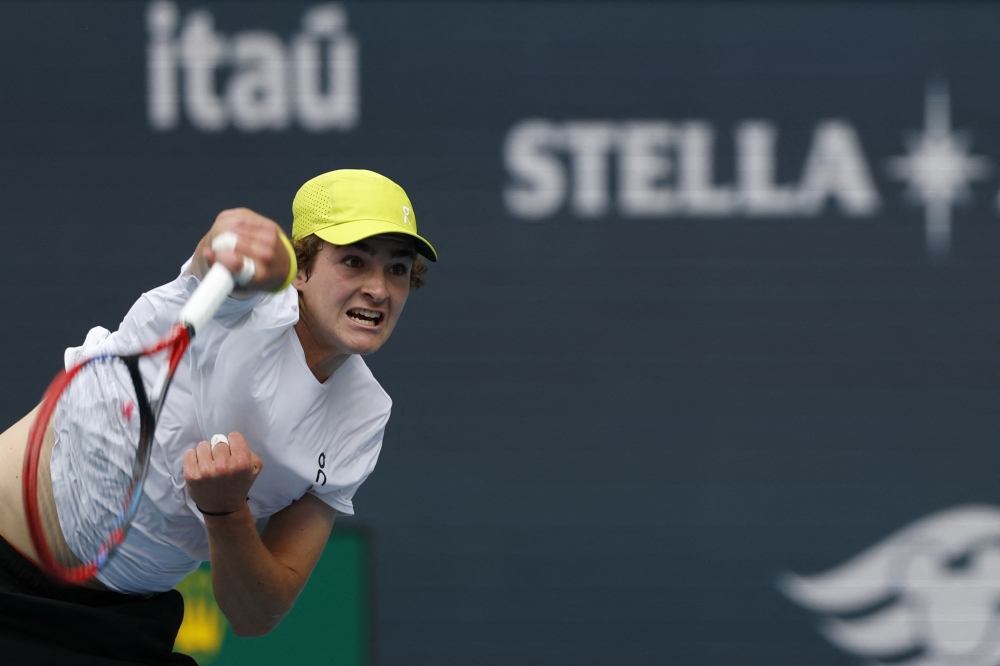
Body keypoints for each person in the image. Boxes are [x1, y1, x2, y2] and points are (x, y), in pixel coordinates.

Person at [0, 169, 436, 664]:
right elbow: (229, 258)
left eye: (397, 269)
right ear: (301, 270)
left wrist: (227, 513)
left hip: (117, 620)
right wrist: (249, 244)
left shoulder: (363, 416)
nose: (379, 289)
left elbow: (257, 615)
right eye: (354, 262)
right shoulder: (241, 307)